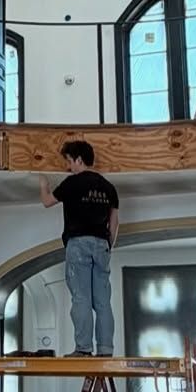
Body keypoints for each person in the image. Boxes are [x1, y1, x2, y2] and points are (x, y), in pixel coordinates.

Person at [39, 140, 119, 357]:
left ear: (79, 159)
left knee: (81, 297)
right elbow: (114, 221)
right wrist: (107, 245)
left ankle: (83, 349)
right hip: (102, 244)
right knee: (102, 301)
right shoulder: (108, 187)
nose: (68, 166)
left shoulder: (72, 183)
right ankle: (105, 350)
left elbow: (47, 201)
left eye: (69, 161)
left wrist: (42, 182)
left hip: (78, 244)